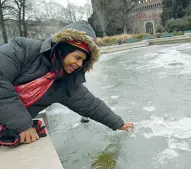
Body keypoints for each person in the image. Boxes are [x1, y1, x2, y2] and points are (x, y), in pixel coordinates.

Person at [0, 20, 134, 146]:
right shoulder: (23, 49)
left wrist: (118, 123)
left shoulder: (65, 81)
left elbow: (91, 105)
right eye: (77, 57)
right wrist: (23, 125)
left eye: (83, 61)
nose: (79, 64)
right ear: (64, 48)